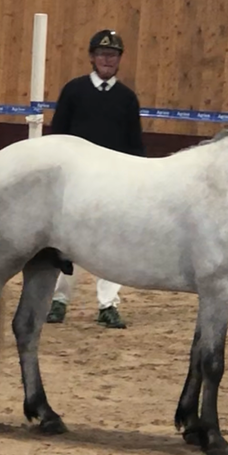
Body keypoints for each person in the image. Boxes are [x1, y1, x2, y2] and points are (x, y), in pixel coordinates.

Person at [45, 29, 145, 329]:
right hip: (76, 182)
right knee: (65, 242)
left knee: (113, 242)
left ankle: (108, 304)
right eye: (102, 55)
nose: (107, 60)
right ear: (92, 57)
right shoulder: (74, 91)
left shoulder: (127, 99)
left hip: (113, 182)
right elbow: (58, 135)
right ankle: (59, 300)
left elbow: (134, 143)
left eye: (112, 56)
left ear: (118, 61)